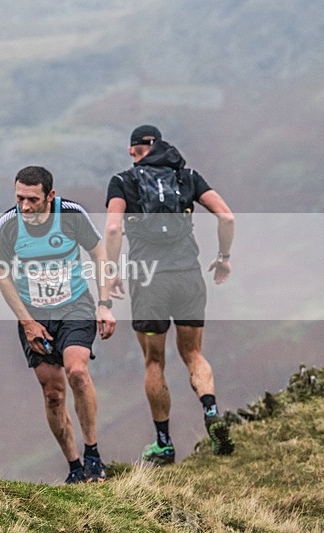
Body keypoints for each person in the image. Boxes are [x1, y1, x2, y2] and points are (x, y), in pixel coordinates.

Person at [104, 125, 236, 465]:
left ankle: (164, 443)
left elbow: (114, 227)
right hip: (188, 276)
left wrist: (112, 270)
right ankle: (211, 411)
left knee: (154, 361)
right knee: (193, 353)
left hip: (149, 283)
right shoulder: (186, 176)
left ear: (135, 151)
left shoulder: (123, 181)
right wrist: (224, 257)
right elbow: (226, 217)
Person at [0, 166, 116, 483]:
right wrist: (27, 322)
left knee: (77, 371)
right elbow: (2, 274)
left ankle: (92, 454)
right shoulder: (9, 224)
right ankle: (74, 466)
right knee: (53, 395)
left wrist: (104, 304)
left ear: (50, 196)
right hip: (34, 315)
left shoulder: (71, 214)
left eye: (32, 199)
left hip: (75, 305)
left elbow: (99, 254)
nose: (25, 206)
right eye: (19, 198)